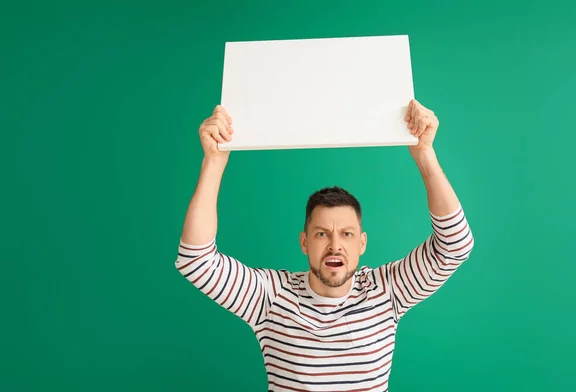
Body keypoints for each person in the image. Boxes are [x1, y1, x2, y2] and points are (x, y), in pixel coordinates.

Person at [174, 99, 474, 392]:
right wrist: (214, 160)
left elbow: (455, 245)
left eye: (346, 234)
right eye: (321, 234)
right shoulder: (271, 297)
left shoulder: (386, 291)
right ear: (304, 242)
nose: (334, 246)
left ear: (362, 243)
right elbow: (196, 261)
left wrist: (424, 154)